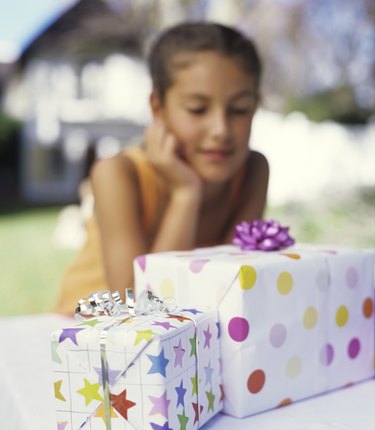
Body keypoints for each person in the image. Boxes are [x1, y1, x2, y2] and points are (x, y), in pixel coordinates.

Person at [54, 21, 269, 315]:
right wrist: (185, 195)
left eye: (239, 109)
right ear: (157, 107)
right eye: (197, 109)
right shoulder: (117, 174)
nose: (221, 130)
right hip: (90, 332)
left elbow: (235, 287)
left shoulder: (253, 170)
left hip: (189, 336)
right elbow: (141, 310)